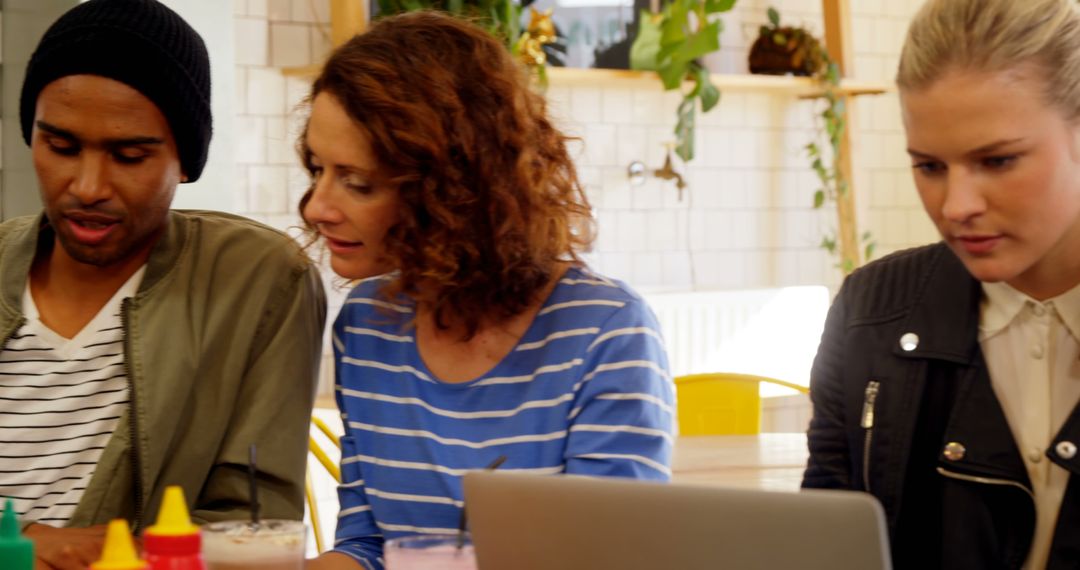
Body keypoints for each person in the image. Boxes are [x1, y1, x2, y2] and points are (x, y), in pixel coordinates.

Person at [298, 11, 674, 570]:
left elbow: (612, 558)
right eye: (316, 170)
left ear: (454, 188)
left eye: (358, 182)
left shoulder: (605, 332)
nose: (316, 208)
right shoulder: (366, 326)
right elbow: (371, 547)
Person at [0, 0, 327, 568]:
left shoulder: (257, 282)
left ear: (185, 159)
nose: (87, 186)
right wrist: (21, 543)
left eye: (128, 156)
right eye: (60, 146)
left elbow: (254, 524)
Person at [802, 0, 1080, 567]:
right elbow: (827, 540)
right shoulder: (869, 314)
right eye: (929, 166)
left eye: (998, 161)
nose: (956, 206)